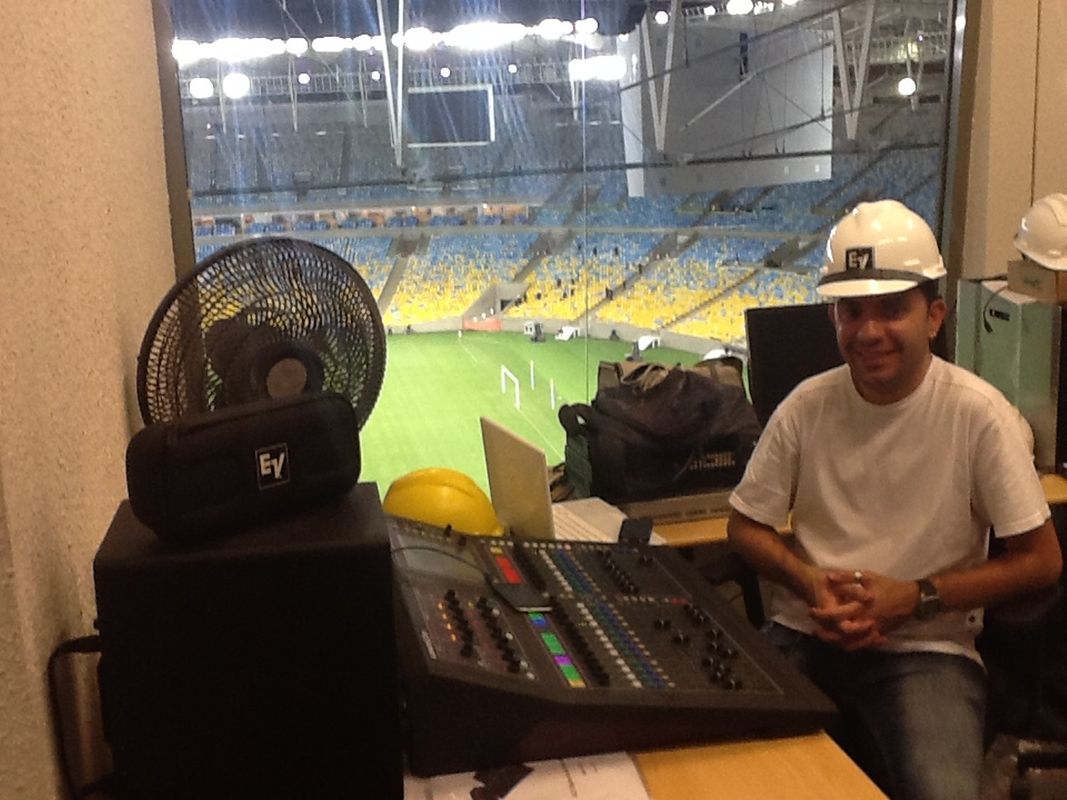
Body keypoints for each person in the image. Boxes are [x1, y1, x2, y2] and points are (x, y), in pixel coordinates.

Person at [726, 199, 1063, 800]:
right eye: (851, 311)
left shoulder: (979, 415)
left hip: (928, 649)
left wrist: (916, 598)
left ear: (933, 317)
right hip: (805, 633)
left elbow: (1042, 560)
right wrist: (808, 583)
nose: (868, 331)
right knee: (724, 776)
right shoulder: (806, 406)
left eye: (891, 310)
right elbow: (744, 526)